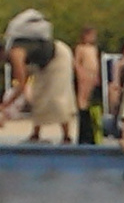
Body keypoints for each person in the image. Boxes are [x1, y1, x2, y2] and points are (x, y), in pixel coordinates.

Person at [0, 9, 76, 143]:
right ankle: (35, 134)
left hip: (59, 57)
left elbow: (21, 85)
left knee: (57, 97)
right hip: (42, 64)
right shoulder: (16, 48)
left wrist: (5, 105)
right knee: (38, 96)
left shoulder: (15, 54)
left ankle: (66, 136)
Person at [74, 25, 100, 145]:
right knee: (82, 101)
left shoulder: (93, 48)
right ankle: (83, 132)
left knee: (90, 101)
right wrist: (80, 74)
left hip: (92, 75)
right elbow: (77, 63)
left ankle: (90, 131)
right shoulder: (81, 48)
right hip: (84, 74)